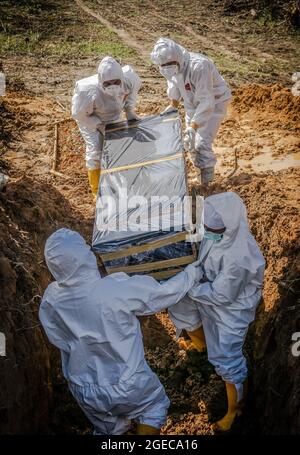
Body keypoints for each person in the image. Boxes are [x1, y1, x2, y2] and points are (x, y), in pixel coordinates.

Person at [39, 228, 202, 435]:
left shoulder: (51, 298)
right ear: (84, 257)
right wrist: (191, 274)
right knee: (153, 408)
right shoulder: (114, 289)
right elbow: (162, 294)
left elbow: (57, 337)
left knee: (110, 429)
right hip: (127, 381)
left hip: (83, 387)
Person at [168, 192, 265, 432]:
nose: (208, 232)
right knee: (181, 306)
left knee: (227, 355)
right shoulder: (218, 230)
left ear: (229, 227)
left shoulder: (239, 257)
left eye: (213, 229)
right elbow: (204, 243)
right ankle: (201, 348)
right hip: (208, 291)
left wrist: (191, 287)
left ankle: (235, 410)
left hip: (231, 309)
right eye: (206, 227)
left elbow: (222, 295)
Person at [150, 38, 231, 186]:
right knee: (190, 142)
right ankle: (200, 177)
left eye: (169, 64)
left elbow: (207, 101)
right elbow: (173, 83)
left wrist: (193, 126)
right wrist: (173, 105)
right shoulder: (169, 66)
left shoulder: (199, 66)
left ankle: (207, 184)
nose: (167, 67)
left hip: (215, 101)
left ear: (177, 58)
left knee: (201, 142)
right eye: (163, 65)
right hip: (192, 103)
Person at [71, 57, 141, 200]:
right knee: (96, 151)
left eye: (116, 82)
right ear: (100, 81)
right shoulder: (87, 90)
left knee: (115, 148)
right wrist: (98, 125)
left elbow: (133, 92)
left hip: (113, 117)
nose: (113, 85)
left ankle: (116, 181)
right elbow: (78, 115)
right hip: (90, 119)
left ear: (121, 77)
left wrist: (129, 110)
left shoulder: (130, 78)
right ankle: (97, 191)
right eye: (107, 83)